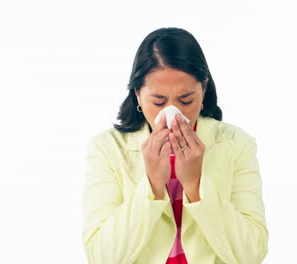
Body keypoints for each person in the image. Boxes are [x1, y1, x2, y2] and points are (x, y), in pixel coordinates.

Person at [81, 27, 268, 264]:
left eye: (186, 100)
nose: (172, 113)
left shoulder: (237, 144)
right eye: (158, 101)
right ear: (138, 94)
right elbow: (101, 257)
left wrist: (195, 184)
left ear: (204, 89)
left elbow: (251, 254)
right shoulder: (106, 148)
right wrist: (152, 184)